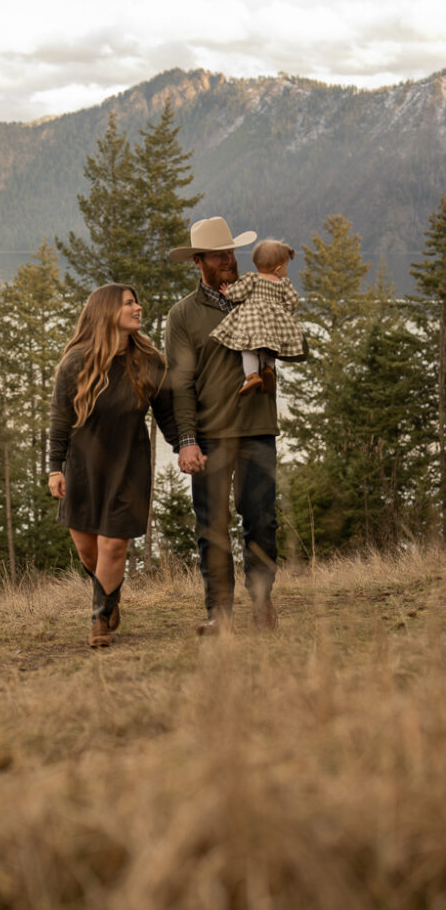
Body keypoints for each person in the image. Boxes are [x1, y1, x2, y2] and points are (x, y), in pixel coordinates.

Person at [166, 217, 305, 633]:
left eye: (230, 252)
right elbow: (181, 384)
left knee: (262, 521)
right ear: (198, 262)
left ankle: (262, 602)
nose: (228, 260)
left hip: (258, 428)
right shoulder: (183, 315)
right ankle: (219, 615)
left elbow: (290, 337)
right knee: (212, 528)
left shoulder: (259, 295)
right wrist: (187, 441)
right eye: (217, 255)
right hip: (209, 435)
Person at [49, 283, 178, 649]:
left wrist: (186, 447)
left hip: (129, 466)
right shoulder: (77, 361)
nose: (138, 308)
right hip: (82, 468)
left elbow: (168, 417)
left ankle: (100, 619)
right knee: (88, 549)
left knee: (113, 546)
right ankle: (109, 593)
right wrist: (55, 468)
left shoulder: (150, 361)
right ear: (106, 311)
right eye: (128, 303)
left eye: (137, 302)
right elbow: (60, 419)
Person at [210, 239, 306, 395]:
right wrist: (283, 312)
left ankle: (252, 376)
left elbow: (238, 293)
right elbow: (293, 302)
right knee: (271, 348)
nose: (287, 270)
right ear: (278, 269)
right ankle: (268, 369)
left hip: (253, 322)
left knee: (248, 348)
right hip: (273, 325)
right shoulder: (284, 284)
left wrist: (228, 292)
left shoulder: (252, 278)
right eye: (286, 267)